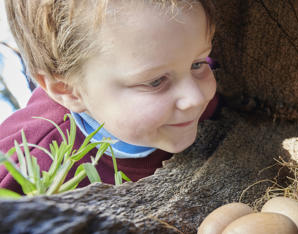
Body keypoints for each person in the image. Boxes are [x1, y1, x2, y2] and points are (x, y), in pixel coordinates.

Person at [0, 0, 218, 193]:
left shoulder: (188, 68)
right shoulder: (24, 165)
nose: (195, 98)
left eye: (197, 64)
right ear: (67, 90)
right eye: (155, 81)